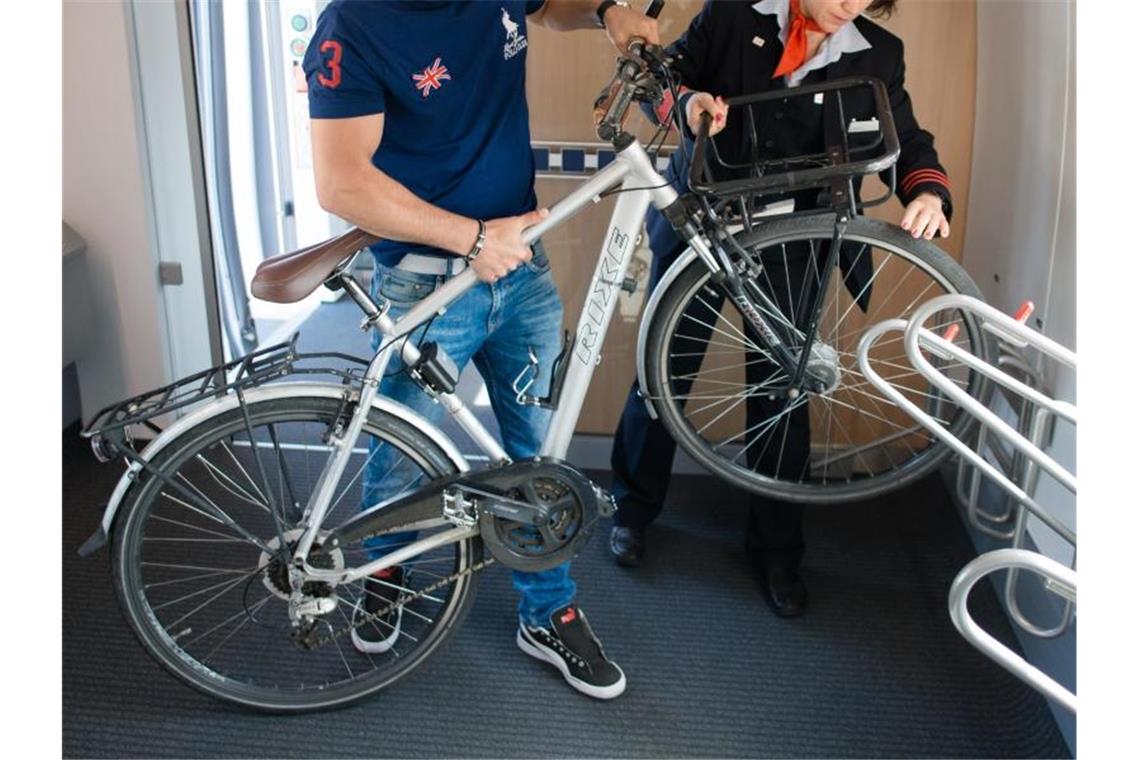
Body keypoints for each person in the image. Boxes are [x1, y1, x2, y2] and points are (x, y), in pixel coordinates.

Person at [303, 0, 659, 699]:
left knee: (538, 455)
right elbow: (341, 182)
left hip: (523, 272)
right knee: (400, 454)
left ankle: (545, 611)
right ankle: (385, 575)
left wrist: (608, 13)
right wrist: (471, 239)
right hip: (424, 283)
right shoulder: (352, 26)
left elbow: (553, 8)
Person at [608, 0, 953, 618]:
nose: (849, 4)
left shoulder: (877, 54)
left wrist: (927, 189)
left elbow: (907, 139)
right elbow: (661, 80)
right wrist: (685, 107)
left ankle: (776, 552)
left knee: (784, 394)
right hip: (705, 227)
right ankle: (632, 510)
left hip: (797, 238)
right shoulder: (734, 16)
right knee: (664, 375)